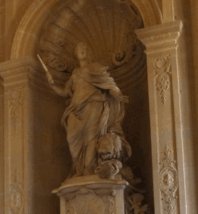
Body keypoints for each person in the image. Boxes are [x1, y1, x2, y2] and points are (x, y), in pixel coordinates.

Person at [41, 43, 131, 177]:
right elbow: (65, 92)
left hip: (94, 105)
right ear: (76, 54)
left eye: (84, 49)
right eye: (79, 50)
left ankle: (89, 169)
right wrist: (52, 83)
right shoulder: (75, 73)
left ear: (89, 52)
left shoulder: (95, 68)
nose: (82, 51)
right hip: (76, 110)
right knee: (72, 138)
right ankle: (79, 168)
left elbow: (109, 84)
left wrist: (118, 95)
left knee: (92, 137)